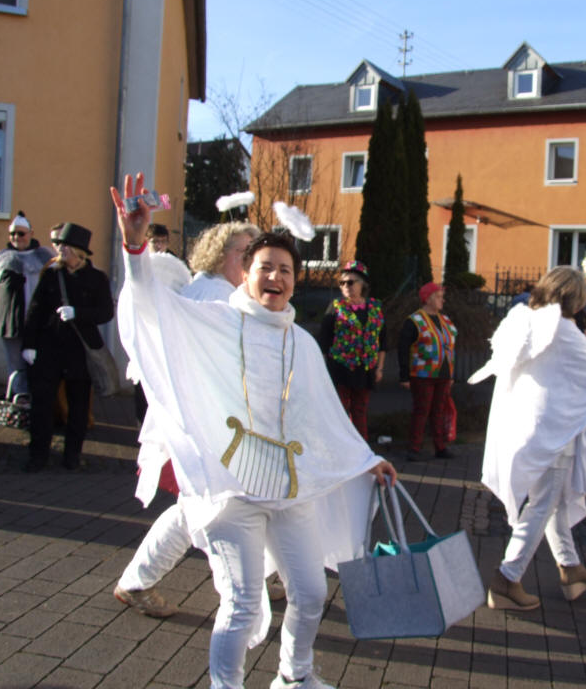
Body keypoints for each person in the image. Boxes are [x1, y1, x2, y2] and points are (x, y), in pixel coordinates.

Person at [112, 173, 396, 689]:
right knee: (242, 603)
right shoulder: (217, 322)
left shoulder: (303, 344)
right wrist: (134, 247)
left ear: (296, 280)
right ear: (245, 274)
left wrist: (364, 459)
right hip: (231, 492)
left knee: (310, 594)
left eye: (286, 270)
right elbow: (152, 310)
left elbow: (325, 418)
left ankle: (294, 677)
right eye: (265, 267)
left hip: (287, 490)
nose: (276, 277)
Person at [115, 221, 260, 618]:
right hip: (204, 430)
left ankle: (257, 583)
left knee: (216, 505)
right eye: (243, 252)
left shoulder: (228, 294)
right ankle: (140, 582)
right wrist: (134, 247)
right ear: (219, 254)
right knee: (206, 508)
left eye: (254, 252)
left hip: (220, 429)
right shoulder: (209, 296)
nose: (251, 261)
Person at [470, 266, 586, 611]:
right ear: (575, 299)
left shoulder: (525, 319)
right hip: (554, 431)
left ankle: (571, 569)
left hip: (526, 426)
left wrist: (584, 343)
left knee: (552, 501)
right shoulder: (564, 329)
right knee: (543, 504)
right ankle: (507, 579)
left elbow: (552, 357)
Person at [20, 223, 113, 472]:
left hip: (80, 352)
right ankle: (38, 455)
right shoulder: (51, 274)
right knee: (42, 405)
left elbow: (105, 312)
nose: (61, 252)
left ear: (79, 253)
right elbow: (35, 310)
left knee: (79, 407)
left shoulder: (97, 279)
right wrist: (29, 345)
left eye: (66, 249)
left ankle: (72, 455)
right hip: (49, 349)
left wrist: (78, 313)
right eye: (60, 248)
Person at [318, 261, 386, 441]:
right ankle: (338, 445)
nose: (345, 286)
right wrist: (324, 366)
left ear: (362, 284)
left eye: (350, 282)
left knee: (360, 410)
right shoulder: (336, 307)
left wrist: (379, 368)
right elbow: (324, 339)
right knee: (339, 409)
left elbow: (382, 340)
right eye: (342, 283)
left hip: (365, 369)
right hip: (340, 367)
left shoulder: (375, 308)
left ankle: (361, 447)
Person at [0, 213, 54, 398]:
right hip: (12, 321)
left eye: (21, 233)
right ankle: (19, 400)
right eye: (13, 234)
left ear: (31, 233)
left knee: (38, 362)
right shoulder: (1, 258)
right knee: (16, 364)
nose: (17, 238)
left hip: (39, 321)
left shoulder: (45, 256)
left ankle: (40, 401)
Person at [398, 282, 457, 462]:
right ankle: (414, 448)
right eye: (439, 296)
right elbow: (403, 348)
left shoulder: (446, 320)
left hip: (443, 374)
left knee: (438, 411)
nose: (442, 300)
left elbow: (452, 347)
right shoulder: (414, 321)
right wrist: (404, 375)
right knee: (422, 410)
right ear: (429, 298)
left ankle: (440, 447)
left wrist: (452, 374)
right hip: (422, 374)